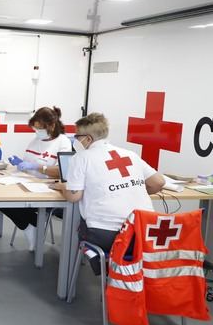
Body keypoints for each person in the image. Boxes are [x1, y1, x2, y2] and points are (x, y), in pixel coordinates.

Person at [51, 113, 165, 274]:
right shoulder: (130, 154)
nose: (75, 140)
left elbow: (74, 196)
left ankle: (109, 275)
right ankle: (121, 277)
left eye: (77, 136)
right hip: (144, 232)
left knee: (80, 228)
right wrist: (130, 190)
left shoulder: (82, 157)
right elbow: (158, 182)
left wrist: (63, 187)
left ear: (88, 139)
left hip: (107, 235)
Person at [1, 106, 72, 251]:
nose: (37, 132)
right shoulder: (36, 140)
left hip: (47, 188)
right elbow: (29, 162)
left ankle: (33, 224)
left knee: (6, 202)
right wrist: (20, 163)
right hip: (28, 184)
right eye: (35, 128)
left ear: (52, 126)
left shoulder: (63, 142)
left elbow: (61, 172)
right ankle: (31, 224)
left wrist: (36, 167)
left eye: (40, 129)